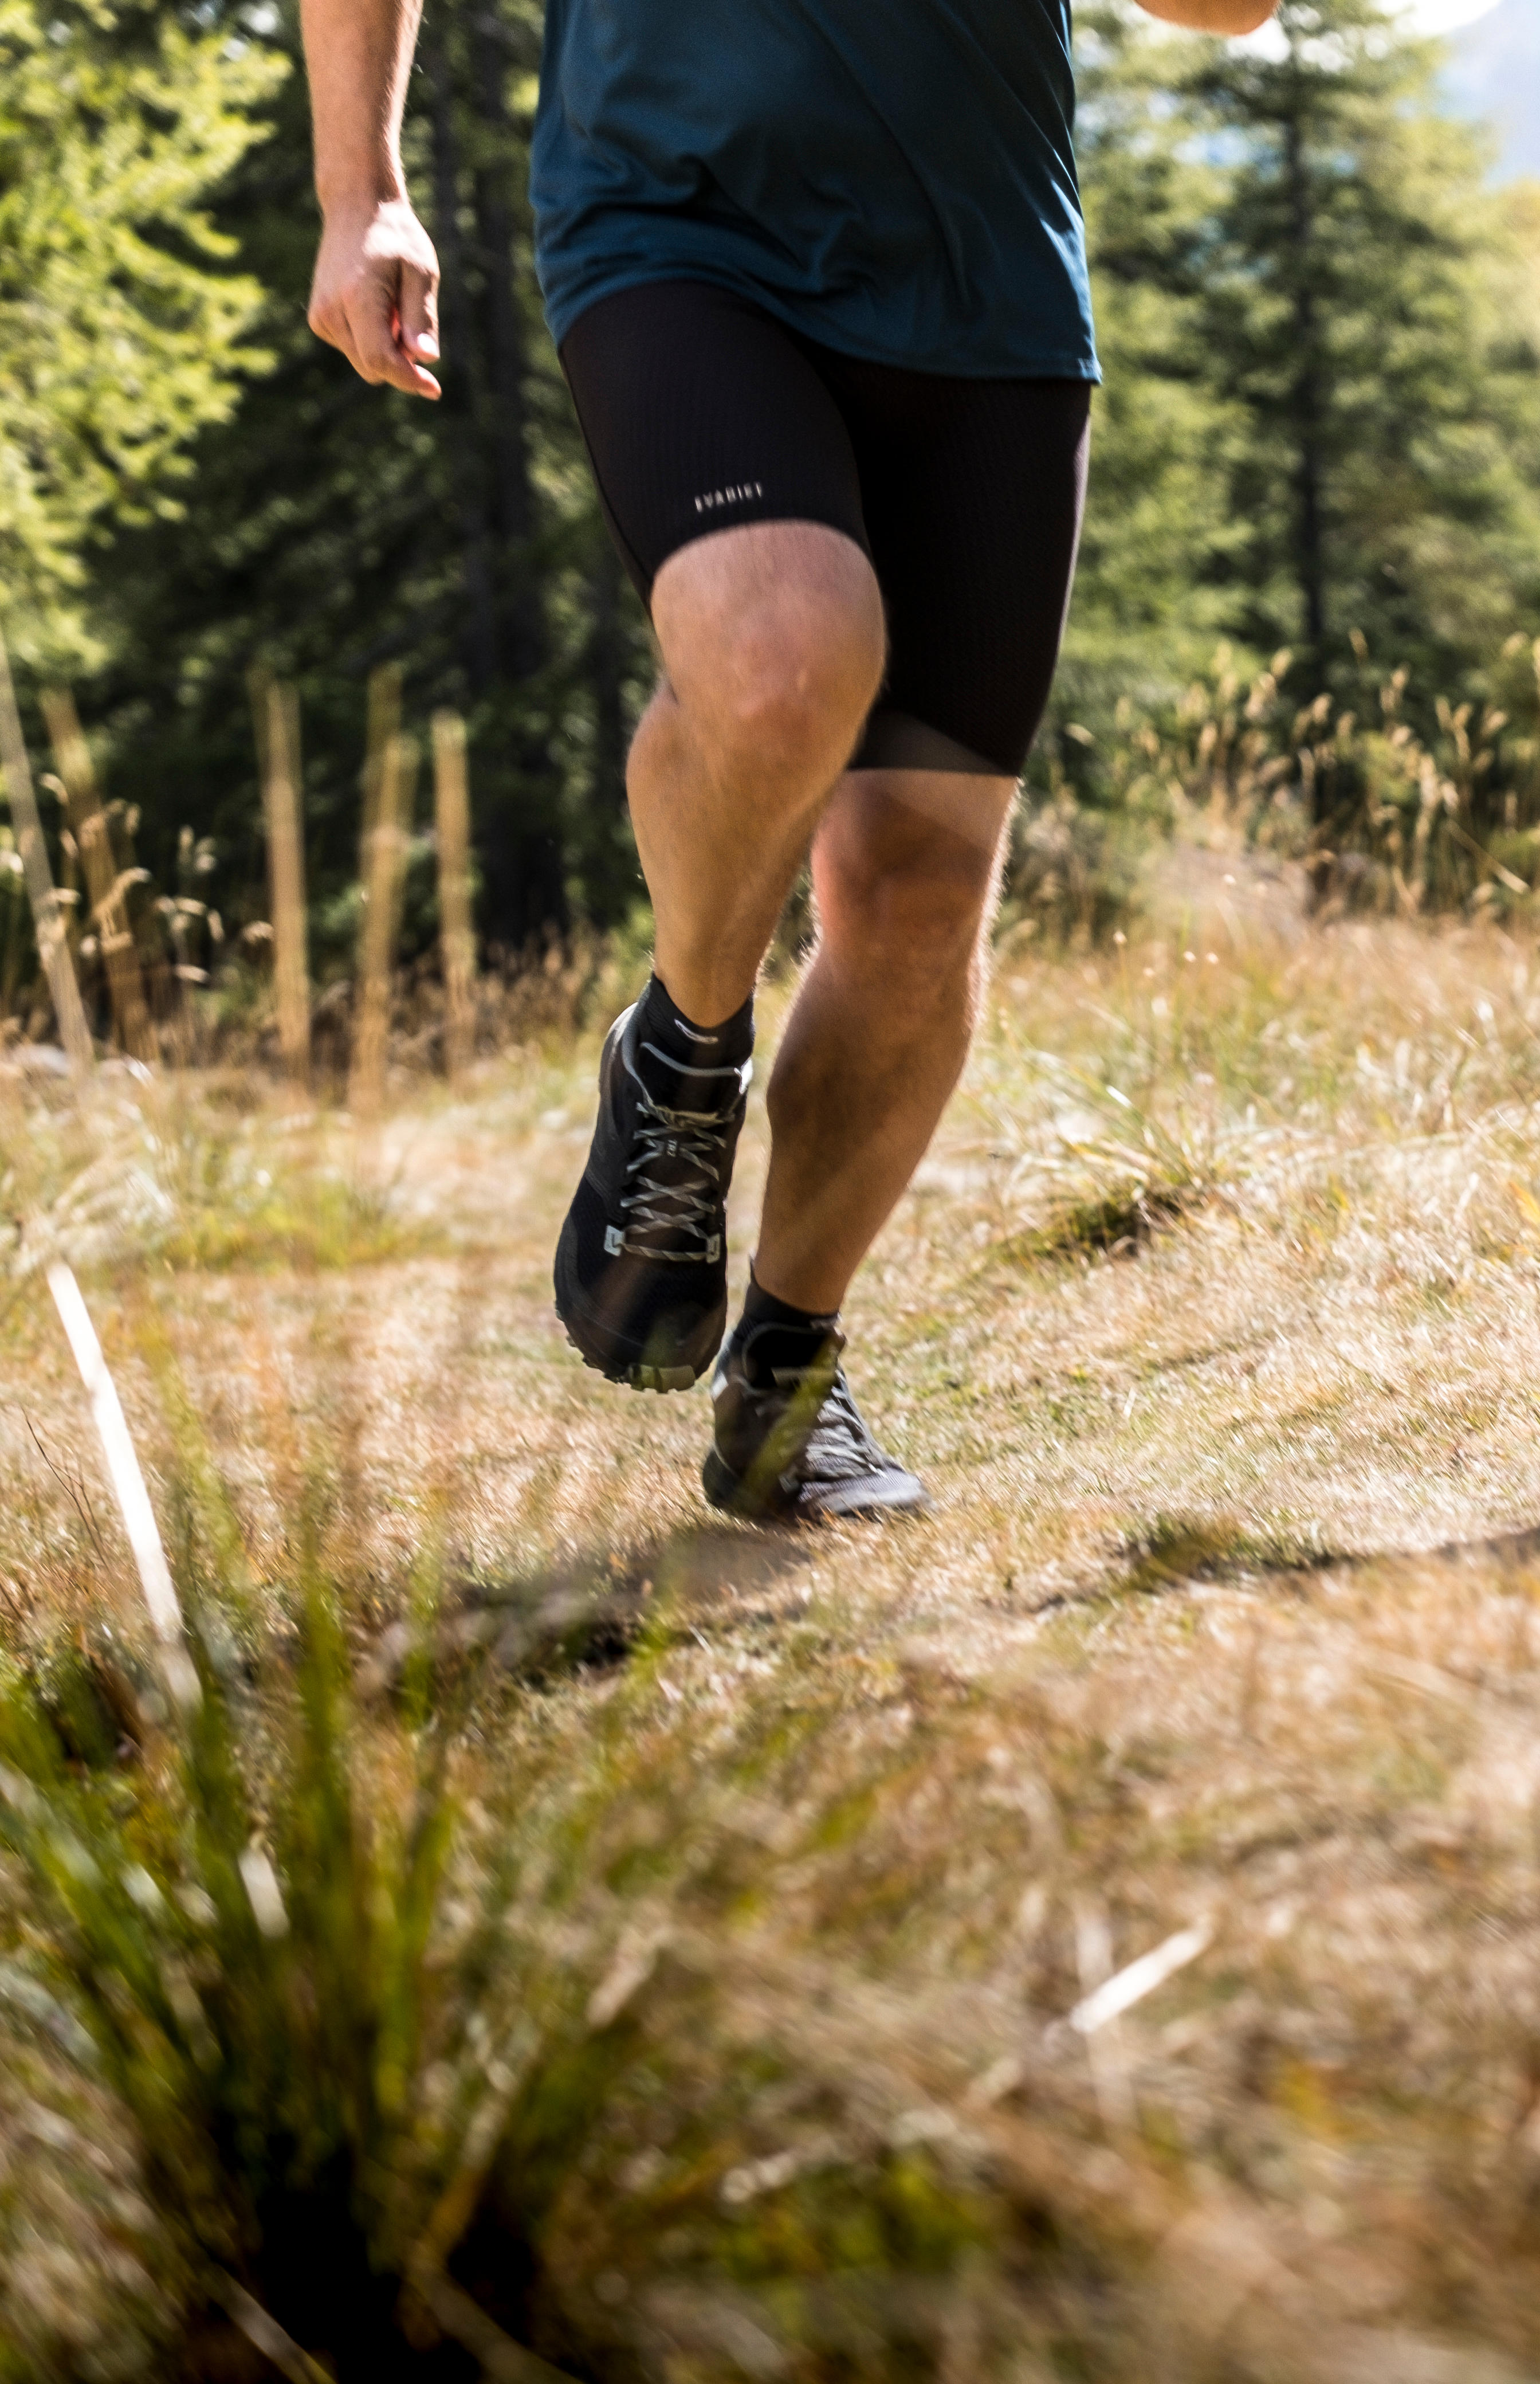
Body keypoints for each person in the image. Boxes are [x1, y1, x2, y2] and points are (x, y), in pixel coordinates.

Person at [300, 0, 1272, 1520]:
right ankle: (686, 1052)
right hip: (676, 219)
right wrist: (362, 188)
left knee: (916, 889)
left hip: (985, 273)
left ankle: (791, 1377)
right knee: (779, 662)